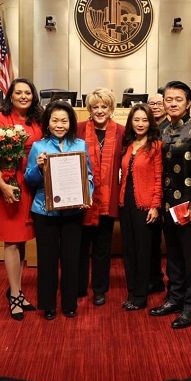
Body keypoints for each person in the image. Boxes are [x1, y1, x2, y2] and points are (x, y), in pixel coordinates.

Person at [150, 80, 191, 329]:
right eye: (168, 99)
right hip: (167, 205)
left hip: (188, 205)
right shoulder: (162, 130)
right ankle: (174, 298)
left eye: (178, 99)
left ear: (187, 103)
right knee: (173, 255)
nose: (172, 103)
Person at [25, 100, 94, 320]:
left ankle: (69, 303)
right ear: (48, 122)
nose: (59, 125)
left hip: (73, 211)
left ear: (71, 122)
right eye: (55, 120)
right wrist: (38, 166)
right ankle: (48, 304)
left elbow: (89, 176)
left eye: (64, 120)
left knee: (71, 258)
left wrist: (87, 194)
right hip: (44, 212)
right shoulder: (39, 146)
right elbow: (29, 180)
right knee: (47, 259)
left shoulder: (80, 145)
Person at [0, 78, 42, 320]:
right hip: (9, 183)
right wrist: (1, 183)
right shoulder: (0, 118)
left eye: (27, 93)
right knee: (11, 240)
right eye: (18, 92)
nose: (23, 96)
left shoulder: (37, 119)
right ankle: (16, 295)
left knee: (23, 241)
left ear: (33, 96)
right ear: (10, 95)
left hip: (31, 182)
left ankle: (16, 291)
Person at [78, 88, 125, 307]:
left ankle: (99, 288)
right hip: (81, 199)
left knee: (102, 248)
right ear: (89, 109)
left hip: (108, 198)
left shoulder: (122, 132)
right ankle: (78, 286)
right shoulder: (78, 130)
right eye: (95, 107)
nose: (99, 111)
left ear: (111, 109)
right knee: (80, 245)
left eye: (104, 106)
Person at [118, 103, 162, 310]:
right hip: (125, 203)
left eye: (145, 120)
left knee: (143, 251)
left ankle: (141, 296)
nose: (140, 124)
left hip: (145, 205)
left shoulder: (156, 146)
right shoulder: (127, 144)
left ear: (150, 122)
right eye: (136, 119)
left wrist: (155, 205)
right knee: (129, 250)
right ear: (131, 122)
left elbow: (159, 178)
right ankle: (132, 290)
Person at [146, 92, 167, 293]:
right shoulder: (145, 128)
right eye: (151, 103)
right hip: (151, 190)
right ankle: (153, 277)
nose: (156, 106)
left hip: (168, 190)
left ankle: (162, 278)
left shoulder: (171, 127)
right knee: (151, 239)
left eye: (159, 103)